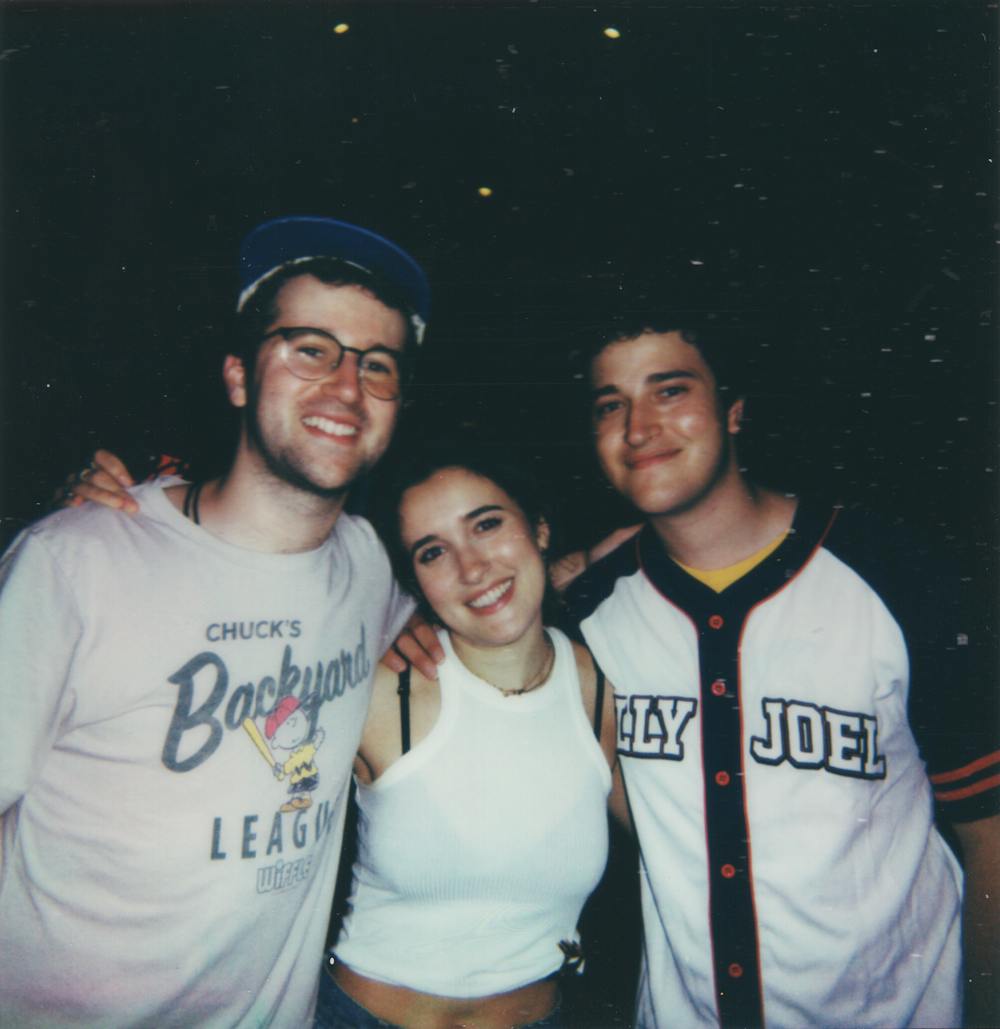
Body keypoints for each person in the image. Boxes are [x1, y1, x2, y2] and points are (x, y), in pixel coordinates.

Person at [0, 215, 428, 1026]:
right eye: (311, 348)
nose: (347, 386)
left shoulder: (370, 566)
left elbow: (483, 612)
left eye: (377, 364)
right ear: (238, 375)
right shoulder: (76, 560)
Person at [56, 448, 623, 1028]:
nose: (472, 568)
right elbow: (223, 637)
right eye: (432, 552)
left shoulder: (604, 685)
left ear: (539, 529)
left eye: (487, 524)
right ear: (415, 582)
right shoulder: (374, 687)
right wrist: (136, 519)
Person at [555, 317, 1000, 1028]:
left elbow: (990, 834)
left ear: (733, 410)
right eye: (612, 404)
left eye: (670, 390)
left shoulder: (896, 574)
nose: (638, 428)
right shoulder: (589, 615)